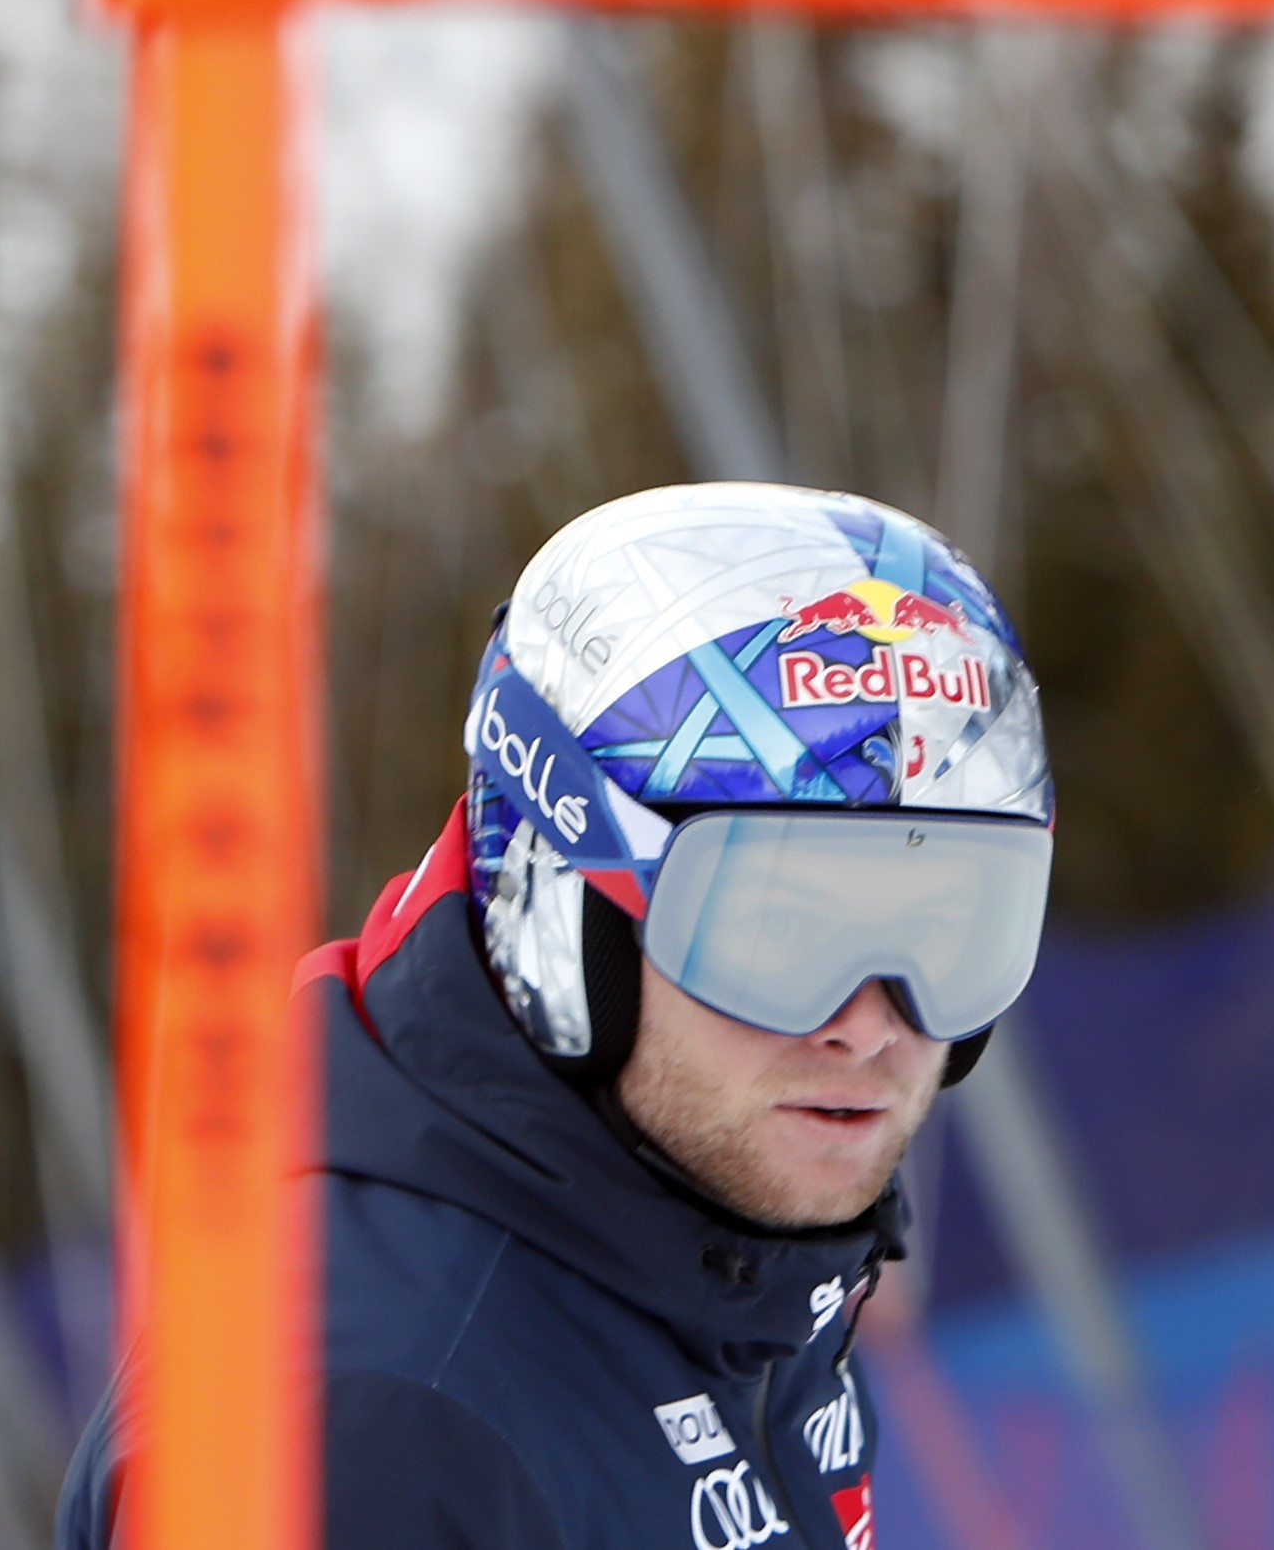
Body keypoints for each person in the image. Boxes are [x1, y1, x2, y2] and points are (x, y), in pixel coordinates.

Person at [60, 483, 1057, 1550]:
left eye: (947, 925)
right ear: (565, 907)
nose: (869, 1027)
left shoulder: (736, 1265)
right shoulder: (363, 1428)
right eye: (780, 928)